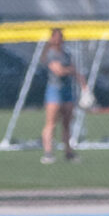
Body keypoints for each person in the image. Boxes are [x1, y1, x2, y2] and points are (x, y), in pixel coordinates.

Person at [40, 28, 87, 164]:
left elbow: (75, 71)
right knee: (51, 123)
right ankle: (48, 152)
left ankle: (68, 152)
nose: (59, 40)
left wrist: (84, 86)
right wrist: (70, 70)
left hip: (66, 91)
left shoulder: (66, 54)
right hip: (54, 90)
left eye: (60, 37)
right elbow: (59, 71)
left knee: (67, 123)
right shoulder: (51, 54)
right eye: (56, 37)